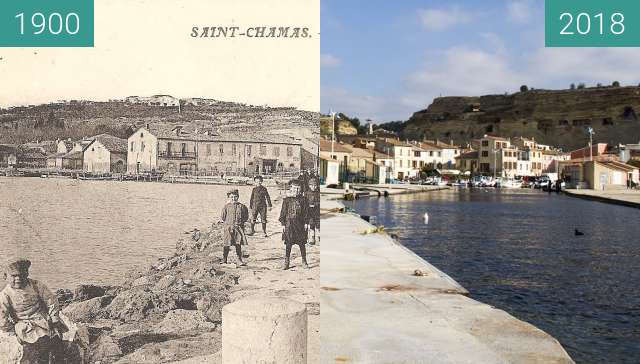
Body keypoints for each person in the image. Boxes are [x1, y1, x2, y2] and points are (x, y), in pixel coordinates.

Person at [0, 258, 67, 363]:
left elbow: (50, 300)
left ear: (26, 274)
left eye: (21, 275)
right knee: (41, 342)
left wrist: (54, 317)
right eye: (13, 276)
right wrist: (12, 331)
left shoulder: (36, 285)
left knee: (57, 342)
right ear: (5, 277)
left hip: (43, 318)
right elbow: (2, 316)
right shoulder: (6, 294)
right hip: (24, 323)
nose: (18, 279)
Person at [279, 180, 309, 270]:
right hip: (289, 225)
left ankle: (304, 261)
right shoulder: (286, 200)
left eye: (298, 189)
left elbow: (306, 212)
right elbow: (283, 212)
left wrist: (306, 223)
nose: (296, 191)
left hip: (300, 225)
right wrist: (283, 224)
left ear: (300, 190)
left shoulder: (303, 200)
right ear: (290, 189)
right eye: (294, 188)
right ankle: (287, 262)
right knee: (288, 244)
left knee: (302, 244)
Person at [218, 189, 249, 266]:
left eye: (235, 197)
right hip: (228, 227)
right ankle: (224, 259)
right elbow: (223, 217)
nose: (233, 199)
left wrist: (240, 223)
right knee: (226, 244)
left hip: (238, 227)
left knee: (238, 244)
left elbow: (246, 217)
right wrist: (228, 224)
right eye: (231, 197)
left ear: (238, 197)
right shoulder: (226, 207)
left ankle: (239, 259)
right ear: (228, 198)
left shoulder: (242, 206)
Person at [305, 177, 320, 245]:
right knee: (311, 225)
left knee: (318, 225)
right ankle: (312, 238)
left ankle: (319, 237)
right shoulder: (307, 193)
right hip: (310, 212)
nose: (313, 187)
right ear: (309, 185)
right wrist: (308, 205)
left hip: (317, 212)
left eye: (315, 185)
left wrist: (316, 204)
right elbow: (304, 202)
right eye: (312, 185)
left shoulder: (318, 193)